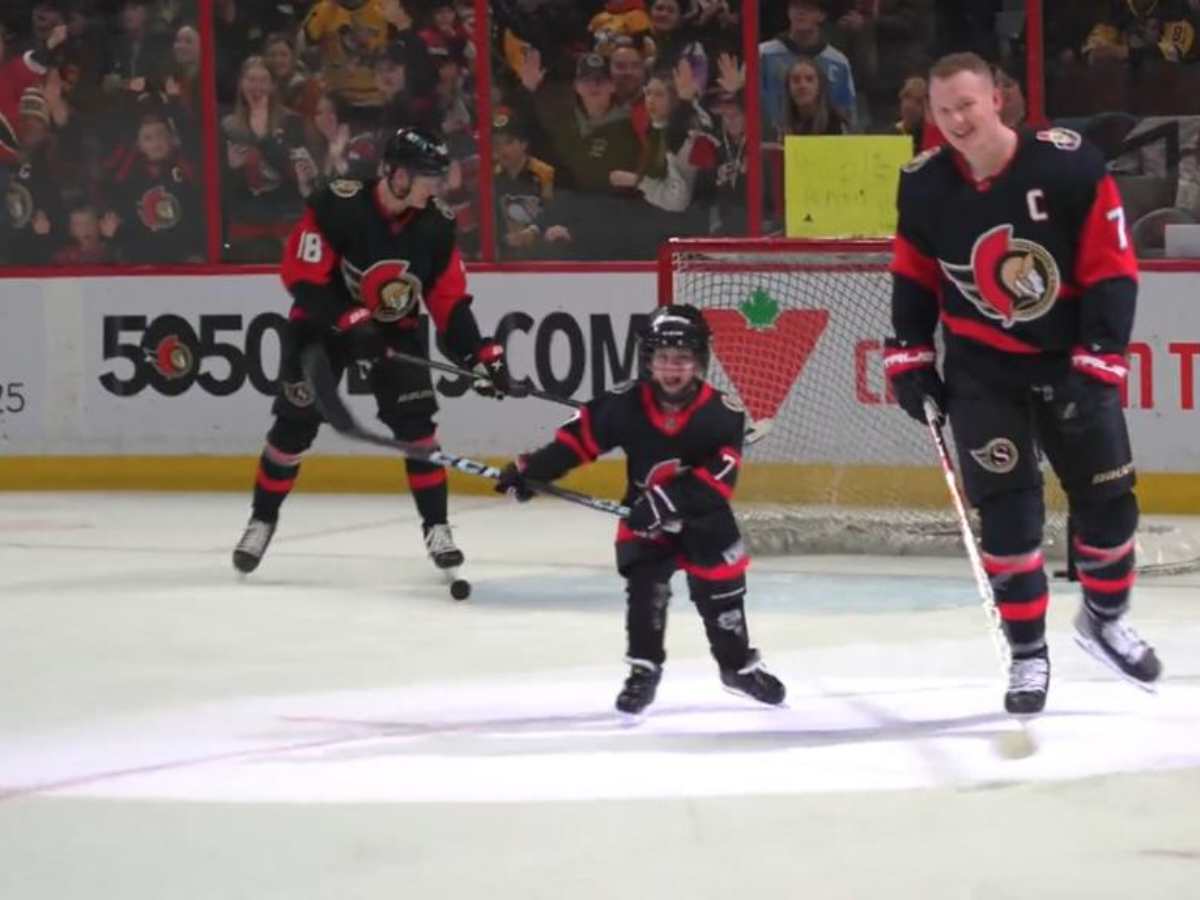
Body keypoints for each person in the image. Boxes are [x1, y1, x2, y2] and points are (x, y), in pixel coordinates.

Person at [882, 52, 1162, 716]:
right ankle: (1029, 655)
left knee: (1110, 502)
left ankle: (1104, 617)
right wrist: (910, 358)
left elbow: (1111, 266)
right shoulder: (923, 185)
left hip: (1069, 362)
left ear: (1000, 100)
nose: (955, 121)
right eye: (942, 109)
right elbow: (913, 276)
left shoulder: (1066, 164)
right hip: (983, 374)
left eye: (967, 105)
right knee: (1008, 517)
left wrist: (1099, 359)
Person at [232, 127, 522, 579]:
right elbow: (301, 278)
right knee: (293, 427)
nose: (435, 186)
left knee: (418, 431)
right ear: (395, 174)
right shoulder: (337, 205)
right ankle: (262, 519)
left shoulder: (437, 227)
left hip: (393, 330)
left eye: (437, 177)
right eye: (427, 176)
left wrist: (481, 356)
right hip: (320, 327)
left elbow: (449, 306)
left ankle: (438, 528)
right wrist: (349, 319)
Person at [496, 305, 786, 714]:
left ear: (699, 361)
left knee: (723, 599)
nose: (672, 368)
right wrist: (531, 472)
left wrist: (664, 502)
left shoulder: (723, 413)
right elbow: (577, 443)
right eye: (663, 358)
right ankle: (644, 669)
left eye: (682, 359)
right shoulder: (624, 403)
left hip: (705, 522)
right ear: (648, 360)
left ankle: (737, 667)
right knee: (646, 590)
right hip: (644, 520)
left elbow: (718, 484)